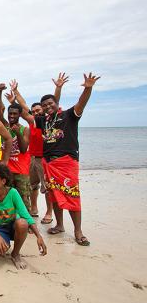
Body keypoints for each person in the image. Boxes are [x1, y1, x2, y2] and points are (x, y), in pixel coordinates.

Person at [34, 72, 101, 246]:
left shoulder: (70, 115)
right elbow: (35, 109)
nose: (47, 107)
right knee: (54, 196)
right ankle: (60, 225)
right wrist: (57, 89)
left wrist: (88, 88)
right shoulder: (44, 121)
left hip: (66, 161)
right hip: (48, 163)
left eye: (50, 104)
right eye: (44, 105)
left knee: (72, 195)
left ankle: (78, 231)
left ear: (57, 104)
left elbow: (82, 103)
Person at [9, 76, 65, 223]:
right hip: (32, 158)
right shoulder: (33, 122)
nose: (36, 112)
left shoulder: (49, 121)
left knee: (47, 187)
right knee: (32, 186)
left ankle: (49, 212)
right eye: (34, 111)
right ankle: (34, 208)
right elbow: (23, 107)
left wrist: (58, 88)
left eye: (38, 110)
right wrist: (16, 92)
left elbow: (54, 102)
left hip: (44, 159)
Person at [0, 163, 47, 269]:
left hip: (13, 226)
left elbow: (26, 215)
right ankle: (5, 243)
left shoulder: (13, 193)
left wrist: (39, 236)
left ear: (3, 181)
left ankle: (15, 254)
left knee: (22, 223)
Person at [0, 82, 31, 212]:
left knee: (23, 198)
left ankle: (27, 224)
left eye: (15, 114)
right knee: (7, 198)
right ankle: (11, 223)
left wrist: (18, 134)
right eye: (10, 113)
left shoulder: (25, 129)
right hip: (7, 170)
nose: (12, 116)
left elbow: (23, 149)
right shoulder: (4, 126)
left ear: (19, 115)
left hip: (21, 171)